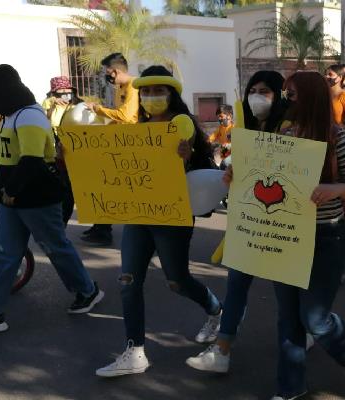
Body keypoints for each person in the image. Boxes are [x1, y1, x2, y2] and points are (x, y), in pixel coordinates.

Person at [242, 71, 345, 400]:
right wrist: (236, 175)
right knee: (288, 317)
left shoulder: (337, 138)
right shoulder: (281, 133)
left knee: (315, 319)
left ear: (310, 99)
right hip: (284, 233)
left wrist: (334, 189)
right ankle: (290, 387)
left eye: (292, 95)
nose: (286, 101)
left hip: (326, 238)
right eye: (285, 94)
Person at [95, 65, 222, 377]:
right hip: (139, 215)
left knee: (177, 281)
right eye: (146, 91)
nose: (152, 97)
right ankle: (134, 350)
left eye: (158, 91)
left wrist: (187, 156)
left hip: (173, 218)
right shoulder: (135, 129)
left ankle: (216, 310)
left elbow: (209, 173)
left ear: (172, 94)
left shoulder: (186, 128)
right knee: (127, 281)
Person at [0, 64, 104, 334]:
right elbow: (5, 157)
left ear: (4, 92)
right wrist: (0, 188)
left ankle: (88, 291)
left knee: (55, 247)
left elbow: (32, 162)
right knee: (5, 255)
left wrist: (11, 192)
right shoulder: (8, 116)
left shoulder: (29, 117)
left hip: (37, 199)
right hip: (12, 200)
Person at [185, 70, 288, 374]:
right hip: (249, 219)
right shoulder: (246, 127)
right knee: (236, 284)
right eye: (252, 90)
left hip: (285, 224)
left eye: (265, 91)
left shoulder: (292, 128)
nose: (257, 96)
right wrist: (232, 175)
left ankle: (302, 338)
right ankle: (222, 349)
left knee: (286, 293)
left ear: (280, 95)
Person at [82, 53, 139, 246]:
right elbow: (117, 118)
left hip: (132, 145)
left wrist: (98, 109)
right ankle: (101, 227)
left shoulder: (133, 86)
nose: (108, 77)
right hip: (118, 142)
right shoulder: (120, 88)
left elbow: (125, 115)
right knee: (103, 185)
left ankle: (104, 229)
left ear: (115, 71)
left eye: (108, 73)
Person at [42, 76, 83, 226]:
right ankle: (62, 222)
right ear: (53, 94)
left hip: (78, 153)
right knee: (65, 191)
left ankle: (101, 227)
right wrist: (52, 105)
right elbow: (44, 121)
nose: (65, 95)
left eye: (68, 91)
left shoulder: (79, 105)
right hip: (58, 154)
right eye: (60, 93)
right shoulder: (48, 105)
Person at [208, 104, 233, 169]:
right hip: (224, 154)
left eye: (221, 116)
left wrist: (228, 145)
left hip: (233, 156)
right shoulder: (220, 129)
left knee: (224, 164)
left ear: (229, 116)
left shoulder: (234, 128)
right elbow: (211, 138)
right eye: (218, 117)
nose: (219, 119)